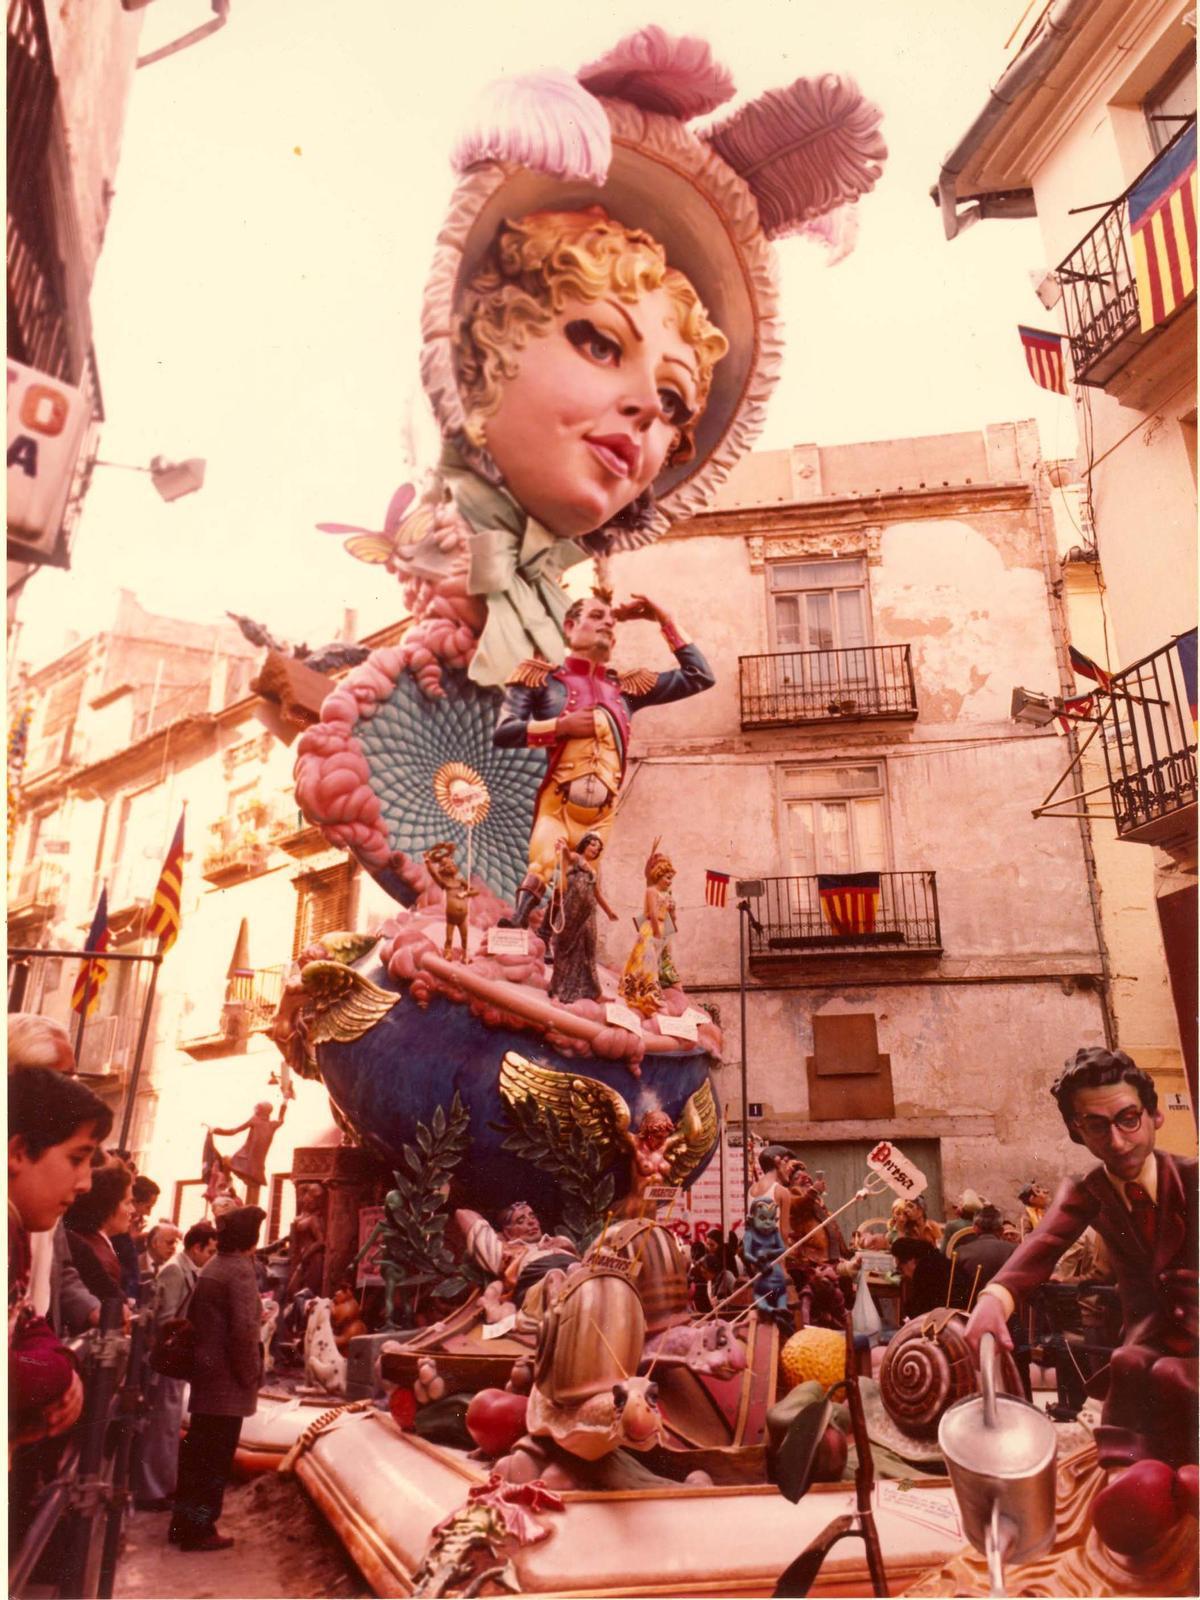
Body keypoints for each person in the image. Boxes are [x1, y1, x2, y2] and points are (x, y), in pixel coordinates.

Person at [965, 1046, 1197, 1485]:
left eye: (1128, 1118)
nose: (1116, 1140)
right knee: (1132, 1368)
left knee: (1168, 1378)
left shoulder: (1191, 1179)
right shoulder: (1087, 1190)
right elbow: (1045, 1242)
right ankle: (1128, 1481)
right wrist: (996, 1298)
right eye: (1096, 1125)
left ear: (1155, 1115)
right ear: (1077, 1131)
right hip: (1143, 1347)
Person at [494, 590, 713, 927]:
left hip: (601, 816)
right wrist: (560, 725)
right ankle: (517, 922)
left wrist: (664, 618)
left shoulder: (627, 687)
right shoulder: (539, 678)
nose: (607, 626)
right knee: (541, 863)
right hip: (559, 804)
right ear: (569, 626)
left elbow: (700, 676)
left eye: (611, 623)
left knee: (579, 883)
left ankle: (547, 941)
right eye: (596, 617)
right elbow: (504, 731)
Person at [8, 1067, 112, 1459]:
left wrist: (58, 1361)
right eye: (76, 1158)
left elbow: (28, 1320)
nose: (86, 1183)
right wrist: (61, 1370)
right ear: (18, 1153)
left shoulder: (16, 1229)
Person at [170, 1206, 266, 1550]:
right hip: (227, 1381)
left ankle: (183, 1524)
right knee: (214, 1460)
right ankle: (200, 1530)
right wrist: (251, 1374)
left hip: (208, 1376)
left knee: (198, 1454)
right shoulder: (240, 1271)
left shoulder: (214, 1266)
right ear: (251, 1239)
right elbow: (243, 1333)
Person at [133, 1221, 218, 1513]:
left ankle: (162, 1486)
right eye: (210, 1251)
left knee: (168, 1426)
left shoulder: (187, 1269)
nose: (211, 1256)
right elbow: (165, 1320)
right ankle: (150, 1490)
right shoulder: (174, 1270)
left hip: (175, 1360)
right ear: (196, 1248)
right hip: (167, 1361)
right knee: (160, 1426)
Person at [547, 832, 616, 1004]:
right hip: (572, 912)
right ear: (585, 844)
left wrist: (608, 911)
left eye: (598, 848)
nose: (595, 849)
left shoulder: (594, 869)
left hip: (588, 914)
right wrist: (563, 848)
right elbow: (568, 856)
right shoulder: (577, 858)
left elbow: (597, 893)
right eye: (593, 844)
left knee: (588, 951)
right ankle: (558, 988)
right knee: (565, 948)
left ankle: (594, 992)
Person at [63, 1158, 134, 1308]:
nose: (132, 1210)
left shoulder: (95, 1243)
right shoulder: (98, 1253)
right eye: (127, 1202)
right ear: (107, 1206)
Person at [619, 840, 677, 1017]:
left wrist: (673, 912)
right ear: (659, 875)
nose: (670, 882)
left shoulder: (666, 895)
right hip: (650, 930)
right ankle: (649, 997)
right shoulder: (651, 891)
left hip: (660, 929)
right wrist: (658, 935)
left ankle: (648, 996)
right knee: (646, 963)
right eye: (668, 878)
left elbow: (672, 922)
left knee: (653, 964)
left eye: (671, 879)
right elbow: (651, 913)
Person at [209, 1101, 286, 1193]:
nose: (255, 1111)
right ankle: (228, 1186)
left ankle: (225, 1184)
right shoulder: (272, 1125)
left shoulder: (255, 1120)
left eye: (257, 1109)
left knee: (225, 1160)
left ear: (260, 1110)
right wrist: (285, 1102)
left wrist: (215, 1130)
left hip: (245, 1161)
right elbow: (281, 1120)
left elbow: (234, 1131)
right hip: (257, 1167)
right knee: (253, 1187)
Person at [948, 1205, 1015, 1308]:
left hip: (969, 1316)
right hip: (1006, 1314)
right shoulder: (1014, 1250)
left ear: (975, 1228)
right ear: (1002, 1230)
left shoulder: (960, 1252)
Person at [891, 1236, 952, 1319]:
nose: (903, 1274)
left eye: (900, 1269)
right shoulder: (937, 1259)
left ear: (911, 1261)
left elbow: (918, 1313)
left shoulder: (923, 1272)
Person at [940, 1189, 985, 1256]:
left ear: (961, 1210)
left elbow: (943, 1251)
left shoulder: (951, 1225)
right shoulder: (983, 1226)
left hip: (957, 1263)